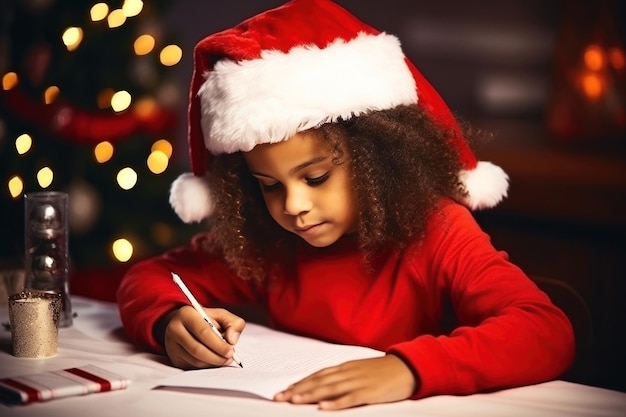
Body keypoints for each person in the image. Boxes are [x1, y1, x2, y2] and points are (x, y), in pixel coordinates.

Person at [116, 0, 574, 410]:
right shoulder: (268, 241)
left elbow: (544, 329)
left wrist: (408, 370)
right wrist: (169, 320)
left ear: (380, 159)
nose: (294, 205)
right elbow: (151, 276)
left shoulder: (437, 229)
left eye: (316, 177)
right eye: (268, 185)